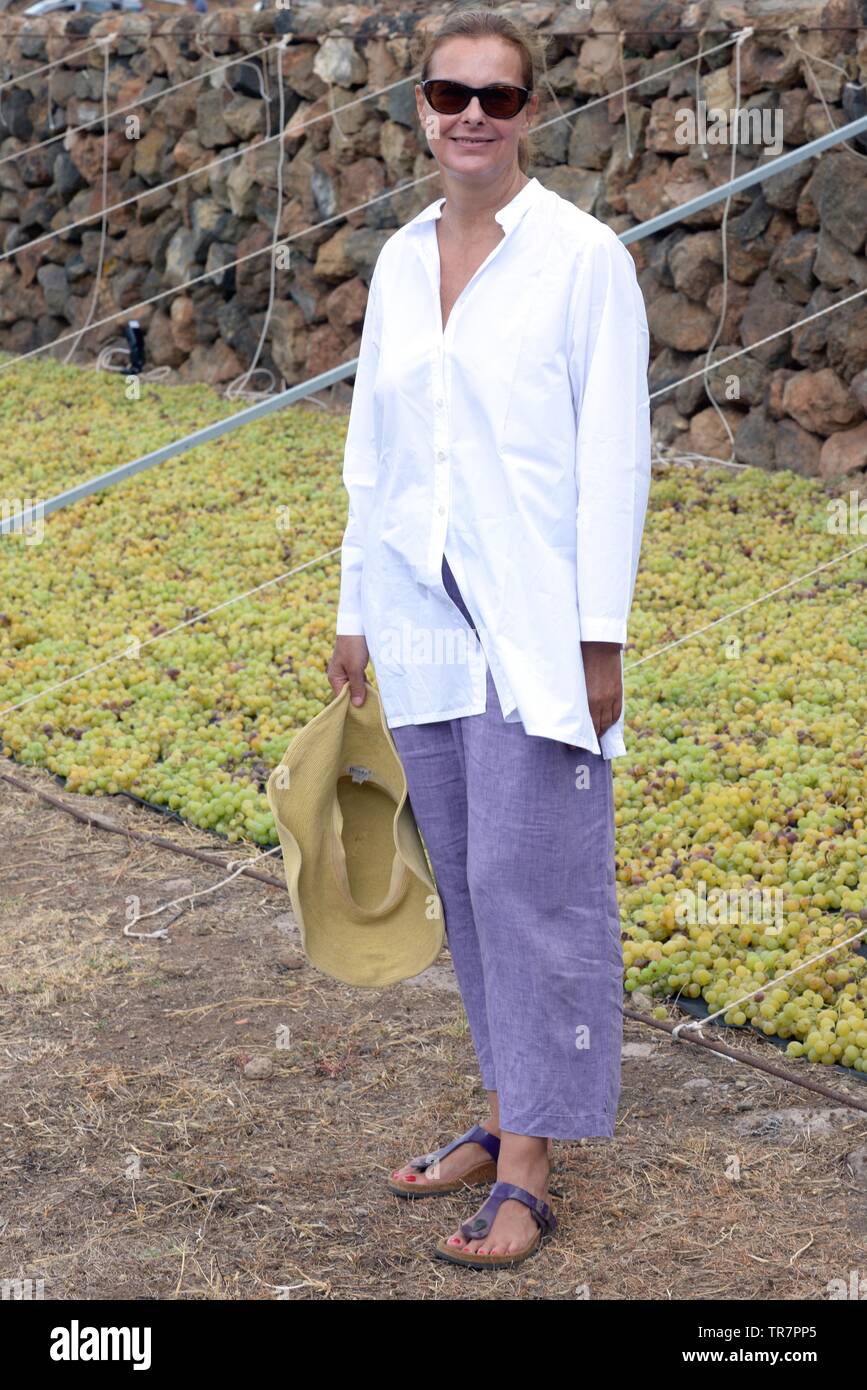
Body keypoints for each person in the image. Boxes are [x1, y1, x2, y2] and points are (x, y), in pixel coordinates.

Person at [326, 3, 651, 1269]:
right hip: (419, 621)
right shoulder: (401, 259)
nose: (472, 114)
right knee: (465, 883)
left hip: (535, 625)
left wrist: (599, 634)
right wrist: (357, 606)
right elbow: (375, 448)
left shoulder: (585, 261)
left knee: (540, 885)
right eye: (449, 92)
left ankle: (531, 1171)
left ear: (532, 113)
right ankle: (507, 1105)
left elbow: (615, 461)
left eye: (498, 97)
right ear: (419, 106)